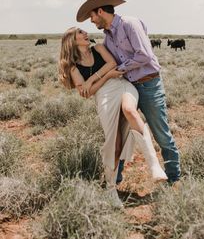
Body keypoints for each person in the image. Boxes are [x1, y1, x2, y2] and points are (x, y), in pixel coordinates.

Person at [76, 0, 181, 185]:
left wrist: (120, 69)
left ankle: (174, 179)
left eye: (91, 16)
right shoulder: (107, 39)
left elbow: (144, 56)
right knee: (120, 133)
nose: (91, 21)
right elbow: (109, 64)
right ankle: (115, 178)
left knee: (161, 134)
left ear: (100, 11)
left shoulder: (129, 24)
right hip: (127, 87)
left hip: (149, 85)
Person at [59, 27, 167, 208]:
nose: (86, 34)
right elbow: (88, 92)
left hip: (123, 85)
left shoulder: (99, 48)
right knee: (114, 144)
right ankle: (110, 189)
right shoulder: (73, 67)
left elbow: (112, 65)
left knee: (130, 111)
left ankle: (154, 164)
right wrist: (104, 76)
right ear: (72, 40)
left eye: (85, 32)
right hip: (104, 96)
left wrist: (94, 77)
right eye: (81, 33)